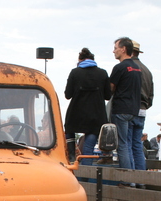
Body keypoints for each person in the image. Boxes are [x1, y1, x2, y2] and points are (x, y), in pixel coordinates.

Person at [63, 47, 111, 164]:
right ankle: (86, 178)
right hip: (96, 115)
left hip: (76, 114)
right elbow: (107, 96)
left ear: (80, 60)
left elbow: (68, 95)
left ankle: (72, 156)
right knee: (88, 149)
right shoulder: (102, 73)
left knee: (69, 132)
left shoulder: (75, 72)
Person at [109, 37, 142, 170]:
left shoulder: (120, 67)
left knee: (122, 145)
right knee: (132, 144)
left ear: (123, 49)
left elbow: (111, 88)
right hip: (134, 110)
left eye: (116, 48)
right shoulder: (136, 68)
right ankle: (135, 177)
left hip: (121, 108)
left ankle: (127, 178)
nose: (113, 51)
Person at [126, 40, 154, 171]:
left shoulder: (130, 68)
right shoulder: (147, 71)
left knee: (127, 144)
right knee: (137, 145)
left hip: (130, 109)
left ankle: (131, 178)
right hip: (143, 109)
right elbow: (151, 96)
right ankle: (141, 178)